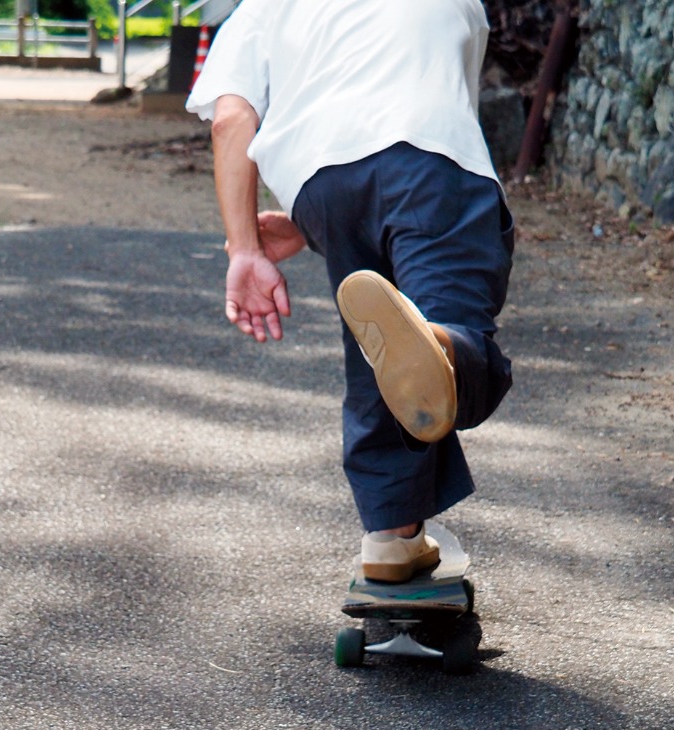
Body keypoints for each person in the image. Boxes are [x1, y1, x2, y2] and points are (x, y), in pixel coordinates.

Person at [186, 0, 515, 583]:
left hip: (320, 186)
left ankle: (393, 536)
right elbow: (438, 105)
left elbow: (231, 119)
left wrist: (245, 249)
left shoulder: (262, 8)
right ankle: (440, 344)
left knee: (381, 359)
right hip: (429, 159)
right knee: (453, 344)